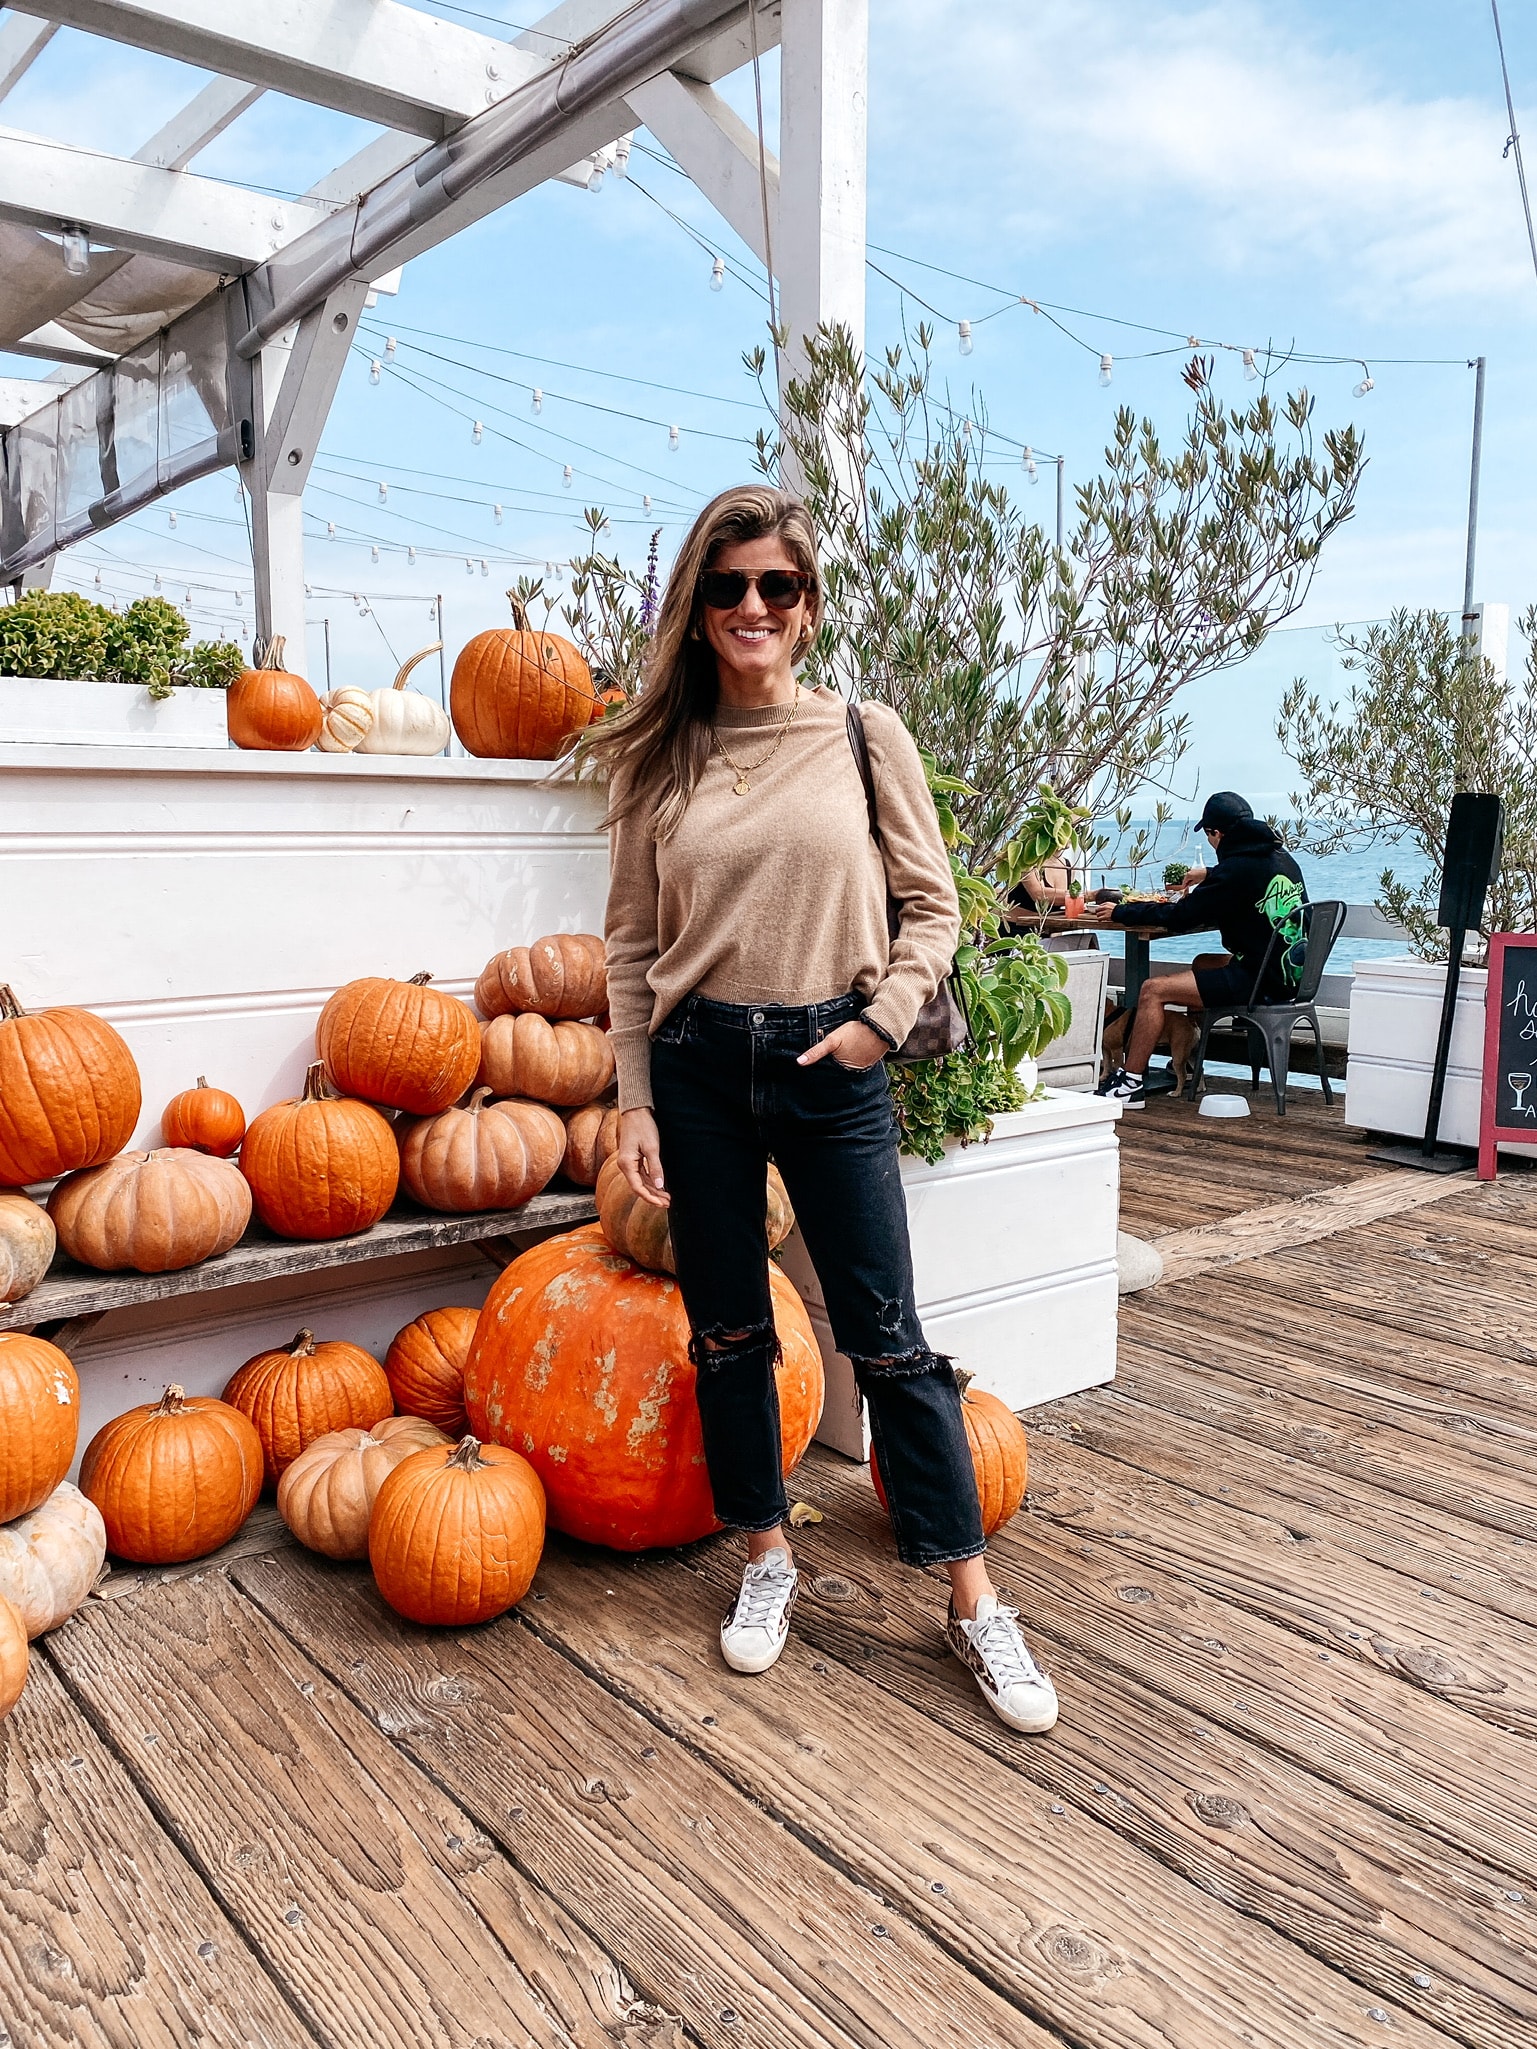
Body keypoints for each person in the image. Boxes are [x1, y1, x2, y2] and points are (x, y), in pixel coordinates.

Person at [585, 483, 1058, 1734]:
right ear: (696, 609)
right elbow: (631, 944)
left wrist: (878, 1024)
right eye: (729, 585)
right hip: (695, 1068)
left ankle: (972, 1600)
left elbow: (935, 904)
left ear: (805, 610)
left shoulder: (863, 733)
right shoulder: (658, 760)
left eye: (775, 587)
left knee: (888, 1334)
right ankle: (764, 1559)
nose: (752, 605)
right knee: (730, 1333)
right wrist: (634, 1096)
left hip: (830, 1062)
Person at [1089, 791, 1307, 1107]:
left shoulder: (1235, 871)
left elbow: (1181, 916)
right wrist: (1208, 874)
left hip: (1261, 980)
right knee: (1204, 963)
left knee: (1153, 990)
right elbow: (1245, 876)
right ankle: (1191, 1061)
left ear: (1215, 833)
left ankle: (1130, 1084)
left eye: (1209, 835)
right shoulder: (1280, 858)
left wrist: (1121, 912)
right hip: (1292, 973)